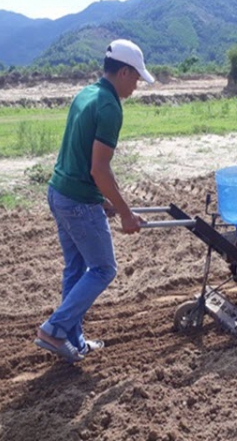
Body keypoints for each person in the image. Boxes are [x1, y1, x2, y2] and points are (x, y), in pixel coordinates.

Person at [34, 39, 155, 363]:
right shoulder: (110, 106)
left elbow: (78, 155)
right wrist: (127, 214)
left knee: (75, 269)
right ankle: (53, 329)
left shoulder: (87, 93)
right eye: (137, 78)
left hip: (59, 192)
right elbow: (100, 168)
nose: (137, 85)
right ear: (125, 71)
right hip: (76, 201)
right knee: (103, 269)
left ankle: (73, 342)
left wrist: (103, 201)